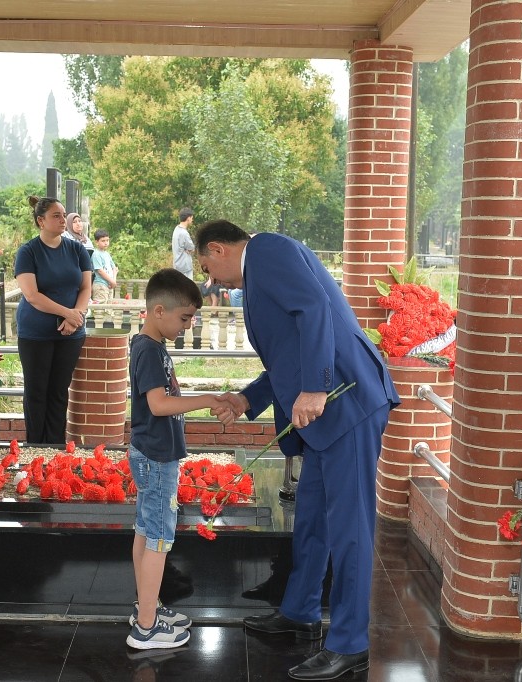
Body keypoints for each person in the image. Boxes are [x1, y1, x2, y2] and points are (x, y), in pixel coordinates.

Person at [195, 220, 400, 681]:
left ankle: (350, 643)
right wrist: (248, 398)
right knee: (312, 516)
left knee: (350, 528)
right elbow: (290, 351)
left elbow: (314, 310)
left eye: (208, 268)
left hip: (347, 404)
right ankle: (301, 611)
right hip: (326, 413)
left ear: (219, 247)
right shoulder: (259, 272)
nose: (212, 280)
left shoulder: (267, 250)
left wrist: (314, 388)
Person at [126, 268, 230, 650]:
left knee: (145, 531)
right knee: (157, 538)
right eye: (184, 318)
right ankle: (146, 629)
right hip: (155, 457)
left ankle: (147, 608)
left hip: (152, 454)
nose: (188, 325)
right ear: (158, 310)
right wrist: (205, 400)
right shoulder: (149, 350)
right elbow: (158, 404)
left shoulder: (150, 345)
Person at [15, 196, 92, 444]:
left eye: (63, 215)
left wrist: (75, 316)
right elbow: (32, 295)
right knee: (37, 393)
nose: (62, 220)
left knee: (59, 392)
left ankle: (55, 449)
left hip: (70, 334)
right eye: (56, 216)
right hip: (35, 334)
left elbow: (85, 288)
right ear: (41, 221)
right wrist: (66, 312)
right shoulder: (28, 252)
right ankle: (35, 446)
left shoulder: (77, 249)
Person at [91, 228, 119, 303]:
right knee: (100, 310)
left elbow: (114, 268)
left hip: (110, 285)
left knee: (109, 309)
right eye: (103, 241)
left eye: (107, 240)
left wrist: (113, 281)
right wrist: (112, 282)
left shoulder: (107, 254)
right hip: (100, 285)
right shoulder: (96, 254)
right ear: (97, 242)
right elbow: (100, 271)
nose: (106, 243)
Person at [171, 207, 195, 280]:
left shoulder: (176, 229)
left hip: (177, 265)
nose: (192, 220)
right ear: (188, 218)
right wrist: (188, 250)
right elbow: (192, 248)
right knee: (187, 289)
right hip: (185, 268)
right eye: (191, 218)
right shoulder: (184, 233)